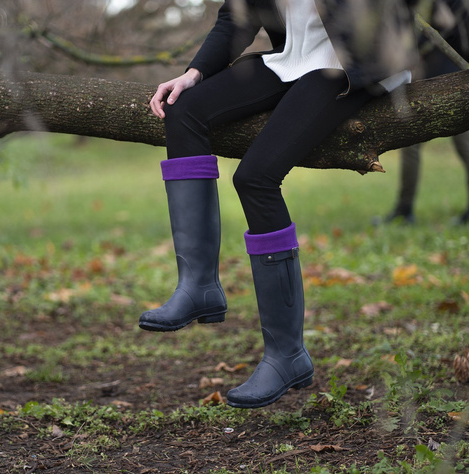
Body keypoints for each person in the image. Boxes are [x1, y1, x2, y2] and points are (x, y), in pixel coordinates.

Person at [140, 0, 419, 409]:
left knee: (256, 178)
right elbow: (236, 18)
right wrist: (193, 73)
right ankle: (198, 286)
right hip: (291, 60)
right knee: (184, 110)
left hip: (350, 66)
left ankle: (287, 355)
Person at [385, 0, 469, 225]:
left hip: (454, 80)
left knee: (465, 145)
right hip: (421, 77)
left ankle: (404, 209)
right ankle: (404, 209)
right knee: (410, 145)